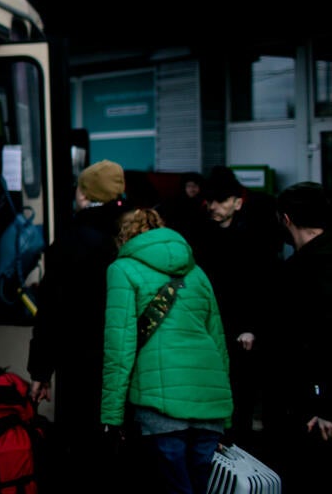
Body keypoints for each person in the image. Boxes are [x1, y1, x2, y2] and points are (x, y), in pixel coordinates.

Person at [101, 207, 232, 494]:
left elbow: (119, 348)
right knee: (200, 486)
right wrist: (226, 413)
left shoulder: (121, 270)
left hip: (160, 405)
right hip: (209, 403)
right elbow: (218, 343)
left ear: (125, 237)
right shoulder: (197, 272)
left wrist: (111, 415)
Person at [27, 159, 127, 491]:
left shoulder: (71, 242)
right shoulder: (129, 237)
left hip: (79, 364)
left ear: (84, 195)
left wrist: (41, 372)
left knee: (79, 448)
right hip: (123, 362)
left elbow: (52, 313)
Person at [260, 182, 332, 491]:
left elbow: (328, 337)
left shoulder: (307, 269)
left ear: (286, 220)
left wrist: (326, 406)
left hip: (313, 406)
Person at [187, 166, 280, 445]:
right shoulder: (201, 234)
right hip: (212, 326)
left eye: (221, 201)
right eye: (211, 201)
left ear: (237, 202)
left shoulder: (254, 238)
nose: (214, 207)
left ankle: (238, 445)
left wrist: (252, 327)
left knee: (241, 393)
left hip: (240, 330)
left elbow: (263, 288)